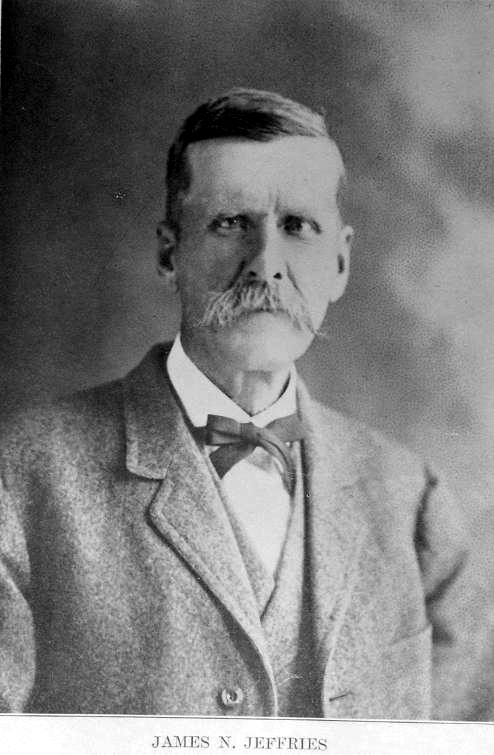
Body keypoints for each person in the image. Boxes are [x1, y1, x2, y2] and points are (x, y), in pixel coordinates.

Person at [0, 88, 483, 718]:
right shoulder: (22, 476)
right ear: (170, 253)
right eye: (231, 224)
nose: (265, 264)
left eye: (297, 227)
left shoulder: (412, 500)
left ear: (340, 263)